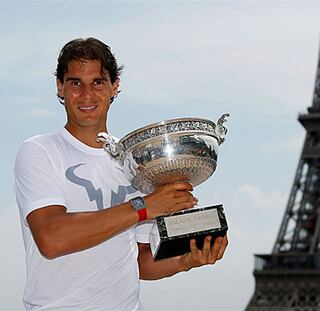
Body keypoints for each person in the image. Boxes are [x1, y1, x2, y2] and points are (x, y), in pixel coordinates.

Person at [14, 37, 228, 310]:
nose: (87, 94)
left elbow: (139, 260)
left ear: (114, 86)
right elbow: (52, 238)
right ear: (60, 87)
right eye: (75, 83)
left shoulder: (135, 163)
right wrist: (143, 207)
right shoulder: (40, 151)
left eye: (98, 82)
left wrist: (186, 261)